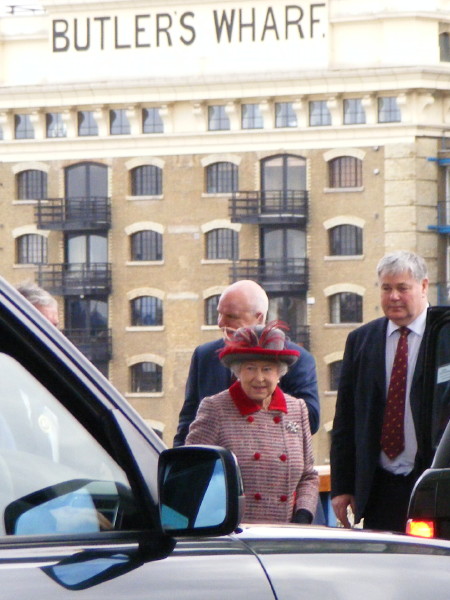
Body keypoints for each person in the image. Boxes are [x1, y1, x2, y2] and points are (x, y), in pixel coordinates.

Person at [330, 250, 430, 533]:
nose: (393, 297)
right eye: (386, 288)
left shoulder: (443, 335)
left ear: (423, 287)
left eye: (402, 288)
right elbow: (345, 419)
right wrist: (342, 486)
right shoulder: (361, 340)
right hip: (379, 487)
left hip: (431, 482)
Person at [186, 322, 319, 524]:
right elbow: (192, 471)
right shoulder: (215, 409)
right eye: (250, 368)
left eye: (267, 369)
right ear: (238, 371)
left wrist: (304, 514)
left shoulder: (297, 409)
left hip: (287, 532)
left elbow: (308, 476)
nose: (259, 378)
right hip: (234, 534)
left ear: (279, 373)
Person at [173, 280, 320, 447]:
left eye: (231, 317)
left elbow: (311, 421)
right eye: (219, 314)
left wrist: (265, 390)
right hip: (214, 467)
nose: (220, 323)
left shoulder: (297, 359)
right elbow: (188, 421)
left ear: (259, 318)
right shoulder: (205, 355)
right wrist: (177, 466)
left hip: (268, 464)